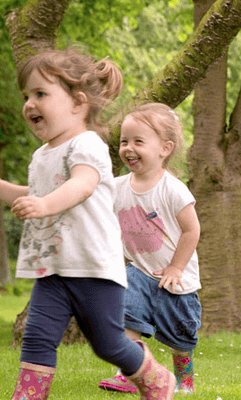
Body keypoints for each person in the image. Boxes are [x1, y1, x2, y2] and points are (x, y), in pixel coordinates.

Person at [4, 48, 175, 399]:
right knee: (37, 336)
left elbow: (81, 186)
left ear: (78, 103)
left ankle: (155, 377)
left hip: (92, 267)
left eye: (40, 94)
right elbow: (35, 193)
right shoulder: (42, 156)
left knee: (108, 344)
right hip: (53, 267)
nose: (29, 104)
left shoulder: (87, 144)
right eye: (26, 96)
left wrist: (43, 204)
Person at [97, 103, 202, 395]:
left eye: (138, 141)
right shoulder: (118, 187)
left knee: (180, 339)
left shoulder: (173, 189)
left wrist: (176, 267)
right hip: (140, 271)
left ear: (164, 148)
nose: (128, 148)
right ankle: (128, 374)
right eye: (124, 141)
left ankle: (185, 378)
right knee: (127, 313)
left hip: (176, 280)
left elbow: (192, 230)